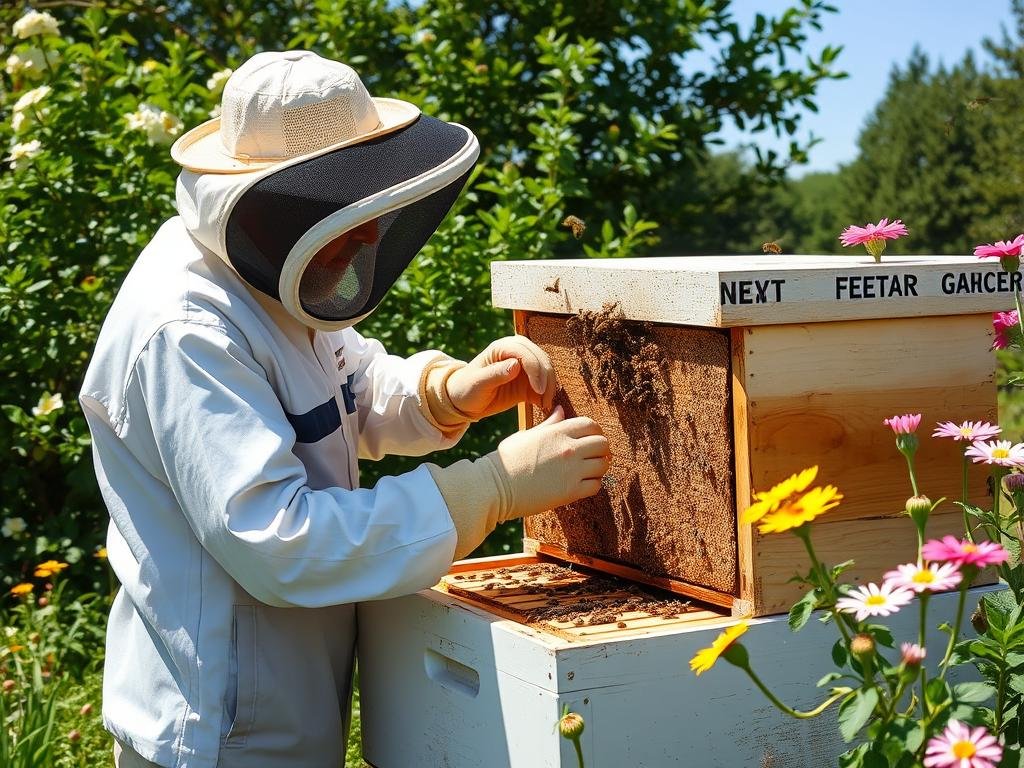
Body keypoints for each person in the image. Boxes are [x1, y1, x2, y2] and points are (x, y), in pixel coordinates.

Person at [79, 50, 610, 768]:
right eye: (342, 209)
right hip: (217, 735)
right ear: (277, 205)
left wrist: (449, 390)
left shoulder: (268, 274)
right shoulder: (189, 331)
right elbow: (280, 542)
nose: (366, 235)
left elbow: (348, 386)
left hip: (282, 705)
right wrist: (491, 488)